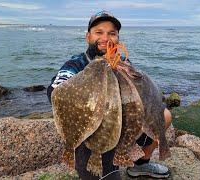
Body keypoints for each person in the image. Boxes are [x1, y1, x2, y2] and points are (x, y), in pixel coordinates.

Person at [47, 10, 172, 179]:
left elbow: (143, 92)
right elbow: (55, 91)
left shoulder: (123, 63)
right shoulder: (76, 63)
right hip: (92, 134)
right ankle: (94, 160)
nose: (105, 38)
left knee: (164, 115)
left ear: (118, 38)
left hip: (124, 125)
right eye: (99, 32)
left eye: (112, 33)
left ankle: (140, 164)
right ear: (88, 37)